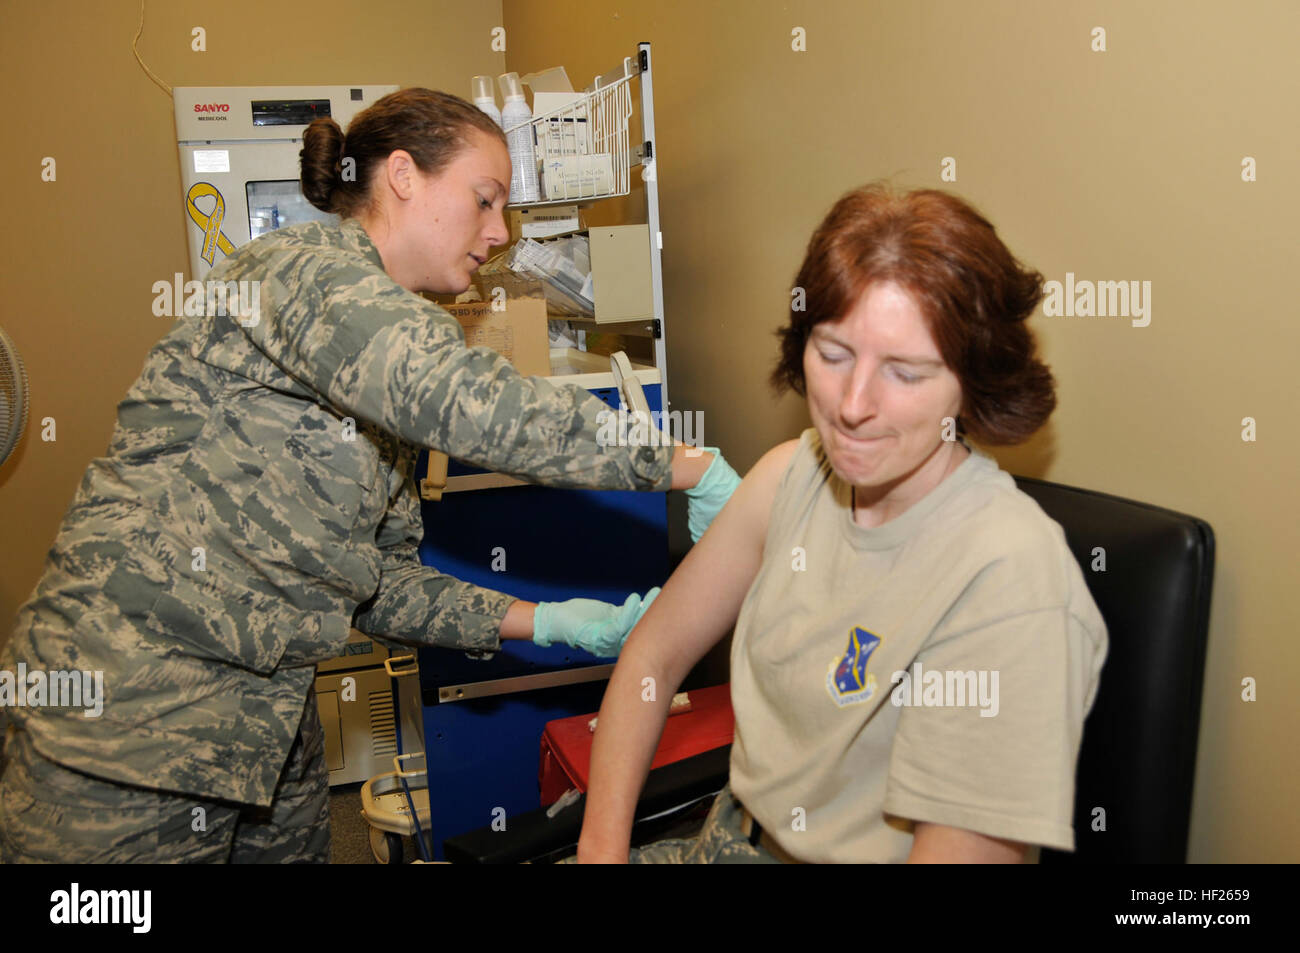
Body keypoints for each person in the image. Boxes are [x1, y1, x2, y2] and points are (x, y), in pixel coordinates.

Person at [0, 88, 739, 863]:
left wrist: (550, 621)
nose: (500, 232)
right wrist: (686, 465)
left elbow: (380, 583)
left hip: (263, 721)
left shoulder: (379, 367)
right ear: (402, 175)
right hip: (127, 719)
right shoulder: (301, 272)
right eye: (486, 200)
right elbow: (477, 405)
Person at [572, 184, 1109, 864]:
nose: (853, 405)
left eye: (905, 373)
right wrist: (602, 850)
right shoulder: (789, 476)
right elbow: (654, 656)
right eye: (833, 354)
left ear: (972, 383)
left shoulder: (1010, 578)